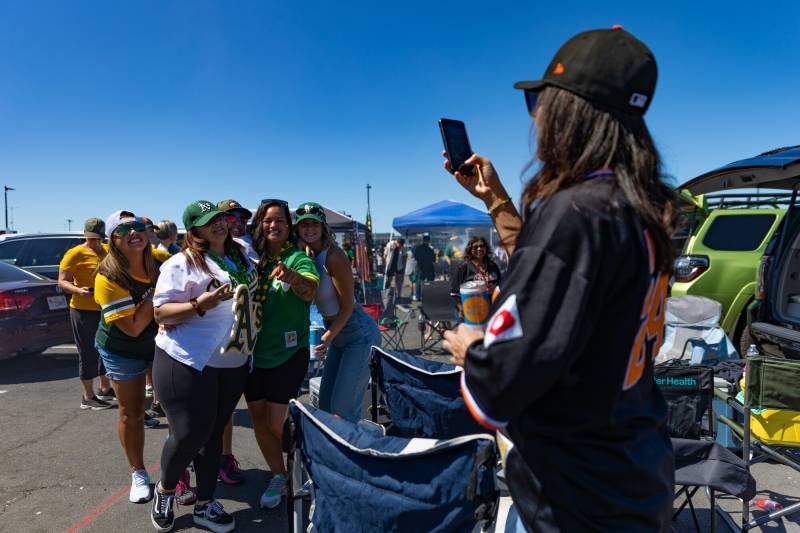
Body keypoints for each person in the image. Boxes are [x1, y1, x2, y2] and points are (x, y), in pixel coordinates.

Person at [442, 27, 675, 531]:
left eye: (537, 99)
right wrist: (496, 198)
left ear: (571, 109)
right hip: (631, 471)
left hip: (576, 497)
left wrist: (471, 348)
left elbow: (503, 384)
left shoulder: (578, 214)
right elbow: (567, 287)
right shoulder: (643, 207)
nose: (533, 116)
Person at [149, 200, 257, 533]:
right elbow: (160, 313)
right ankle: (165, 490)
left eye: (221, 219)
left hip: (233, 360)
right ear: (194, 229)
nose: (219, 225)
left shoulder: (241, 254)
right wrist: (198, 304)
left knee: (213, 434)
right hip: (188, 358)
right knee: (188, 434)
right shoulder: (181, 264)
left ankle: (205, 503)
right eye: (209, 222)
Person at [245, 199, 319, 510]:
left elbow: (310, 291)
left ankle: (305, 465)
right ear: (260, 224)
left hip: (289, 352)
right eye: (268, 220)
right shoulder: (250, 258)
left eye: (280, 221)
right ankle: (279, 474)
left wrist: (294, 278)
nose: (273, 226)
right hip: (250, 353)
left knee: (277, 422)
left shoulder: (298, 258)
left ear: (289, 227)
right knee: (259, 419)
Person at [93, 210, 160, 504]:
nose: (134, 232)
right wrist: (158, 292)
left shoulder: (160, 260)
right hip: (123, 348)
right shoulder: (107, 277)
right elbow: (132, 328)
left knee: (177, 408)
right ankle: (138, 473)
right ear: (113, 239)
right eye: (124, 229)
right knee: (131, 413)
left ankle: (179, 471)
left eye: (140, 226)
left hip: (160, 345)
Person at [294, 202, 381, 422]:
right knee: (325, 405)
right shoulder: (307, 256)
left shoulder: (334, 256)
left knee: (343, 409)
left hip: (357, 332)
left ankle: (352, 454)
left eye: (314, 224)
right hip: (337, 333)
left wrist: (328, 336)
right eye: (304, 225)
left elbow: (348, 306)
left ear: (324, 227)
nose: (310, 229)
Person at [215, 198, 255, 486]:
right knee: (193, 414)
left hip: (239, 345)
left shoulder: (242, 252)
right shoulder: (198, 254)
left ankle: (224, 457)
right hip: (206, 346)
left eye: (241, 217)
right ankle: (181, 470)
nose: (237, 222)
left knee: (226, 408)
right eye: (230, 218)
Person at [58, 217, 114, 410]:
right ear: (85, 235)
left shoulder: (108, 251)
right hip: (82, 309)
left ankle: (105, 388)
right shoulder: (75, 253)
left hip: (105, 308)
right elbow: (62, 281)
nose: (95, 242)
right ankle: (87, 396)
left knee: (105, 349)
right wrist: (77, 290)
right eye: (91, 238)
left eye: (98, 238)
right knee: (87, 351)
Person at [449, 236, 501, 318]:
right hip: (470, 310)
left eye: (482, 246)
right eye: (475, 247)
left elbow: (500, 286)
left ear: (486, 248)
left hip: (491, 309)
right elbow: (454, 292)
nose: (479, 249)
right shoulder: (463, 267)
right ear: (470, 250)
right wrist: (461, 309)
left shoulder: (492, 266)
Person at [412, 234, 436, 301]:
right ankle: (429, 295)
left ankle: (418, 296)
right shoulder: (430, 249)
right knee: (430, 282)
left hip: (420, 268)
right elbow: (433, 260)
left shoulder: (418, 248)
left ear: (423, 240)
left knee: (419, 282)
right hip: (429, 268)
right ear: (428, 241)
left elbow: (415, 258)